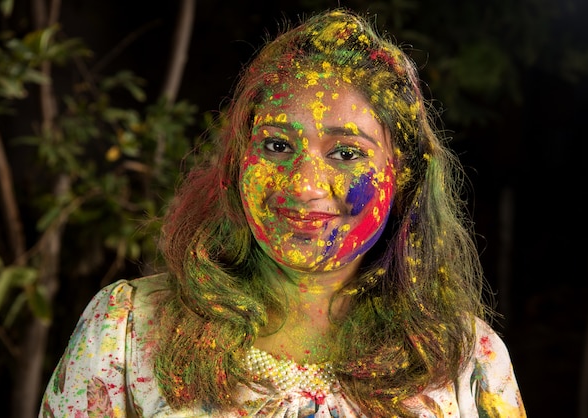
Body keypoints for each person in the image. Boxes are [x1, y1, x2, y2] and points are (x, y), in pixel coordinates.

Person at [39, 8, 526, 417]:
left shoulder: (466, 360)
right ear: (237, 160)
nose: (304, 185)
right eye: (275, 145)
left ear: (402, 176)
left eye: (346, 153)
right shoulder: (127, 330)